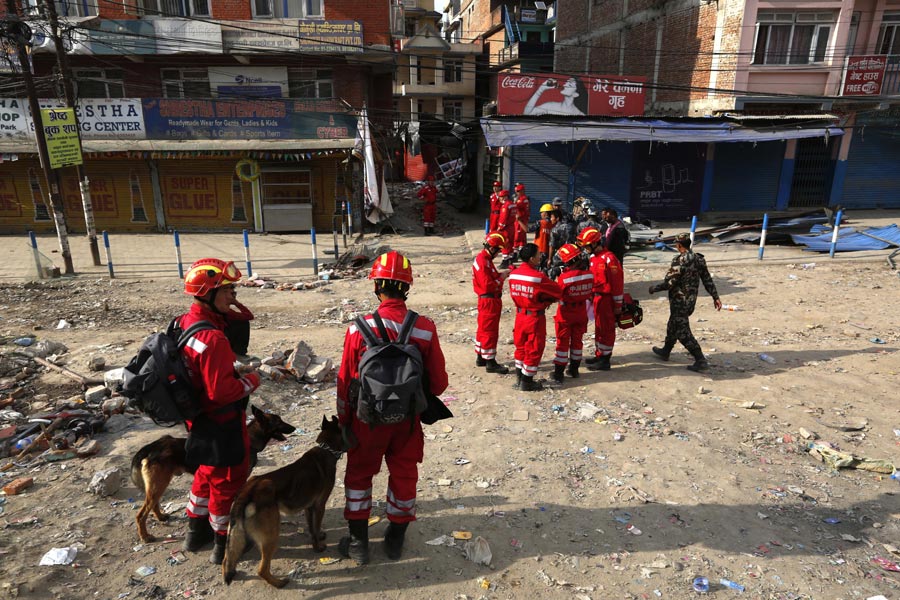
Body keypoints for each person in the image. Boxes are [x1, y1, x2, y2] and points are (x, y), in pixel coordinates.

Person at [336, 251, 448, 564]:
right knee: (404, 475)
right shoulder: (424, 328)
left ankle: (358, 544)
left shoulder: (357, 329)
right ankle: (395, 539)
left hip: (366, 420)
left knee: (359, 476)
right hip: (407, 420)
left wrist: (345, 421)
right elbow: (439, 384)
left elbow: (345, 382)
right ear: (407, 287)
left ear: (377, 286)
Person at [179, 258, 261, 565]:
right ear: (207, 293)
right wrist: (252, 381)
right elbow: (221, 392)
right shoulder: (213, 338)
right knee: (228, 480)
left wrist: (229, 370)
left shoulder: (185, 323)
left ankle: (194, 532)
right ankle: (224, 543)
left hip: (198, 417)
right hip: (221, 420)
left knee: (205, 472)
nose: (233, 296)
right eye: (227, 290)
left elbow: (204, 372)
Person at [649, 233, 722, 372]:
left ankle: (700, 360)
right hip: (690, 302)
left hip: (679, 301)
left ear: (678, 245)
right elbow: (707, 279)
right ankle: (666, 350)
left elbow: (669, 282)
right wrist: (715, 297)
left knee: (682, 332)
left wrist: (654, 288)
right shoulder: (699, 259)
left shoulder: (679, 260)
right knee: (673, 324)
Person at [507, 243, 562, 391]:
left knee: (521, 347)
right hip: (534, 318)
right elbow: (557, 291)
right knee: (534, 348)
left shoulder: (514, 274)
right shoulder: (537, 277)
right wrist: (546, 301)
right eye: (538, 254)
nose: (540, 256)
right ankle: (527, 381)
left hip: (520, 316)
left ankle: (519, 378)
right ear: (532, 258)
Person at [577, 228, 623, 371]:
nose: (585, 249)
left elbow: (617, 284)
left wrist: (618, 305)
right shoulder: (593, 258)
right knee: (599, 327)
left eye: (587, 246)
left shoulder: (610, 259)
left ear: (595, 243)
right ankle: (599, 354)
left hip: (607, 300)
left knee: (607, 328)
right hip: (597, 299)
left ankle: (605, 359)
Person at [551, 244, 593, 383]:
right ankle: (574, 369)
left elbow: (555, 294)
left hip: (566, 313)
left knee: (562, 343)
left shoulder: (565, 278)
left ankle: (558, 373)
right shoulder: (589, 274)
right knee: (577, 341)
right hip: (581, 311)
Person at [473, 232, 510, 375]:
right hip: (489, 300)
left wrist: (500, 274)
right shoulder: (484, 262)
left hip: (486, 300)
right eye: (498, 250)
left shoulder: (484, 259)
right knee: (490, 331)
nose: (499, 253)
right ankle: (490, 362)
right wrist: (502, 278)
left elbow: (490, 277)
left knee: (483, 328)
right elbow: (488, 284)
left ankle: (481, 356)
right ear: (493, 248)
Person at [523, 77, 588, 117]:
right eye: (566, 82)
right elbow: (526, 114)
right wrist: (540, 90)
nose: (565, 85)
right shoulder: (550, 106)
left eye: (570, 85)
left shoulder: (579, 115)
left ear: (575, 94)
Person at [497, 189, 517, 269]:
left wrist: (500, 228)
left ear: (505, 197)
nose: (500, 198)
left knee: (504, 244)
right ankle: (510, 260)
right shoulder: (513, 204)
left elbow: (503, 218)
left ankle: (505, 261)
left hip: (506, 228)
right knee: (511, 244)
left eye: (501, 197)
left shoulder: (505, 206)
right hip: (512, 226)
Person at [534, 203, 554, 268]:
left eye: (541, 212)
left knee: (538, 268)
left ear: (545, 213)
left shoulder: (540, 223)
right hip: (549, 251)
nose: (541, 214)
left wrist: (520, 221)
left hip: (539, 249)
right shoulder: (554, 224)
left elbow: (528, 230)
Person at [513, 183, 529, 259]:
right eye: (517, 191)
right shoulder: (520, 198)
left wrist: (515, 201)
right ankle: (519, 252)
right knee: (521, 238)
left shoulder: (523, 199)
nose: (517, 193)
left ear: (522, 191)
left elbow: (516, 206)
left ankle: (516, 253)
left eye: (518, 191)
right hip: (519, 220)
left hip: (521, 220)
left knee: (517, 237)